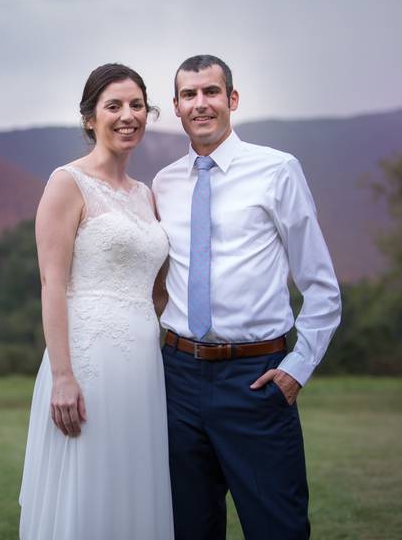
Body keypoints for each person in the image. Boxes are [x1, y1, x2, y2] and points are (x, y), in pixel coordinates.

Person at [153, 55, 342, 540]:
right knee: (189, 528)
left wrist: (298, 368)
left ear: (232, 100)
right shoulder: (165, 184)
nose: (201, 104)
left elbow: (320, 285)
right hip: (177, 379)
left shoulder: (277, 170)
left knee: (277, 527)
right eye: (189, 95)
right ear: (176, 107)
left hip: (255, 378)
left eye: (211, 92)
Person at [18, 63, 174, 539]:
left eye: (137, 105)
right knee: (90, 485)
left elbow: (158, 290)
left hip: (144, 365)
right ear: (90, 119)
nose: (128, 116)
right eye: (114, 106)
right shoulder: (67, 183)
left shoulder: (146, 195)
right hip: (89, 361)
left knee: (133, 482)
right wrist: (63, 376)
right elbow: (52, 283)